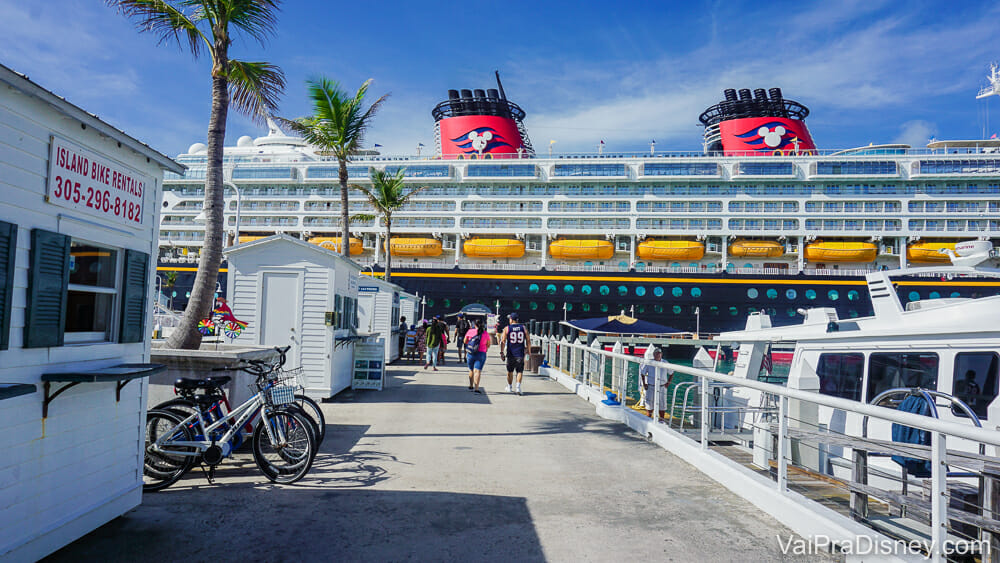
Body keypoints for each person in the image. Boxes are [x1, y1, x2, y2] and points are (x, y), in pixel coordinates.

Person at [500, 312, 530, 395]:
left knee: (510, 371)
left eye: (509, 318)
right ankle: (518, 387)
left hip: (511, 354)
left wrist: (502, 352)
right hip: (520, 353)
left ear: (512, 319)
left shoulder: (507, 328)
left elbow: (503, 341)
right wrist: (529, 351)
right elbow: (528, 340)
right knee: (519, 371)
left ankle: (509, 387)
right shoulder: (523, 328)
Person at [640, 347, 674, 420]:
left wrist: (668, 383)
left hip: (662, 386)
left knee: (662, 405)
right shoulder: (649, 363)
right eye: (656, 353)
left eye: (659, 353)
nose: (658, 355)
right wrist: (644, 384)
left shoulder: (665, 363)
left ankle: (661, 420)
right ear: (653, 354)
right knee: (649, 405)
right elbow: (642, 373)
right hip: (651, 386)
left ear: (661, 354)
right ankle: (648, 419)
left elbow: (671, 373)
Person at [464, 318, 490, 393]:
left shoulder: (470, 331)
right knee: (477, 371)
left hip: (471, 353)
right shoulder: (485, 333)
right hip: (481, 353)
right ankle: (476, 388)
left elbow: (465, 341)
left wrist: (471, 344)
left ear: (474, 324)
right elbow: (488, 344)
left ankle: (471, 385)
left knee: (471, 369)